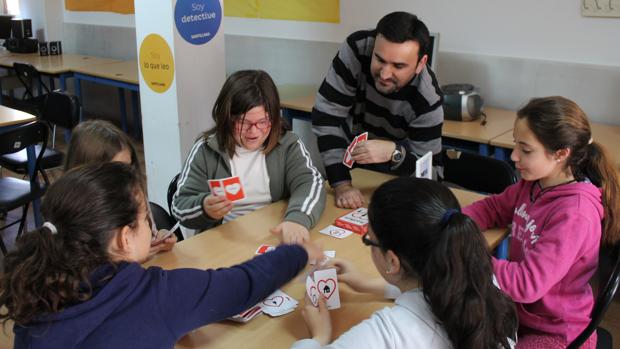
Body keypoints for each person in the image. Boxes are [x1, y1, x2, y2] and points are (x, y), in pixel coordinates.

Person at [0, 162, 322, 348]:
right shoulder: (154, 295)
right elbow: (242, 284)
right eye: (144, 217)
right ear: (125, 238)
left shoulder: (34, 295)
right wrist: (297, 253)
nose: (151, 224)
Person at [462, 96, 620, 348]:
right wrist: (456, 223)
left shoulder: (575, 214)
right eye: (515, 145)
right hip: (521, 315)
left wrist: (467, 257)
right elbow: (493, 208)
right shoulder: (533, 183)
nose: (514, 156)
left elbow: (526, 283)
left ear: (561, 154)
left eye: (525, 150)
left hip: (556, 333)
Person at [293, 177, 517, 349]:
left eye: (369, 239)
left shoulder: (385, 333)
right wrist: (368, 284)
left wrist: (319, 337)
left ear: (392, 261)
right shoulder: (481, 280)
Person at [172, 70, 325, 244]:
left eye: (263, 122)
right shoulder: (206, 150)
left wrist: (298, 219)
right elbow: (179, 206)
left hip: (273, 233)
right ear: (227, 118)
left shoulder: (288, 145)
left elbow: (310, 182)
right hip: (222, 241)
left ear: (274, 118)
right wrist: (204, 208)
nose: (253, 131)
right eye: (243, 123)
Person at [312, 11, 444, 209]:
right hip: (352, 171)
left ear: (421, 64)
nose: (384, 74)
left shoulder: (427, 100)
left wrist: (395, 153)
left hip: (399, 185)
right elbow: (327, 116)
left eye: (398, 66)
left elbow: (430, 177)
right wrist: (341, 184)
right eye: (380, 59)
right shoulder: (357, 48)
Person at [64, 119, 177, 256]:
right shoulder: (73, 214)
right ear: (89, 173)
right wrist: (137, 255)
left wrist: (159, 238)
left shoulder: (133, 194)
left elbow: (150, 237)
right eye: (118, 171)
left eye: (129, 166)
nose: (128, 177)